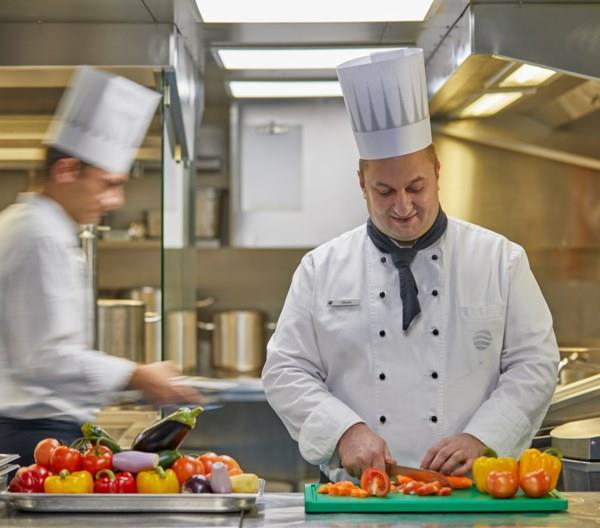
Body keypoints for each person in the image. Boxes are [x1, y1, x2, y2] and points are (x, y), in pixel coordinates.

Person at [261, 49, 559, 481]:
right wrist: (343, 431)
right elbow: (285, 370)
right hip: (360, 493)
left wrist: (484, 437)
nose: (402, 207)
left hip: (470, 489)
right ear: (362, 183)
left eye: (416, 187)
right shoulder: (320, 268)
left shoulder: (500, 261)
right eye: (384, 191)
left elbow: (535, 363)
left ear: (437, 172)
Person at [0, 67, 201, 465]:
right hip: (32, 435)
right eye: (109, 184)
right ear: (66, 171)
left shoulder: (33, 224)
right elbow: (45, 359)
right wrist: (137, 375)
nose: (115, 201)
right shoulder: (39, 234)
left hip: (35, 429)